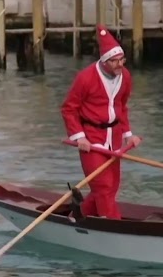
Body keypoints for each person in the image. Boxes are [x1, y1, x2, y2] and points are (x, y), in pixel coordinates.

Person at [61, 25, 142, 220]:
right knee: (103, 186)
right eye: (114, 61)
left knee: (111, 186)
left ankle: (77, 216)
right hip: (91, 139)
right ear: (104, 61)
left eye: (122, 59)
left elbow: (122, 106)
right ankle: (114, 226)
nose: (119, 64)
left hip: (113, 138)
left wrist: (128, 134)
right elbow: (69, 108)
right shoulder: (86, 78)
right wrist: (79, 137)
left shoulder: (125, 77)